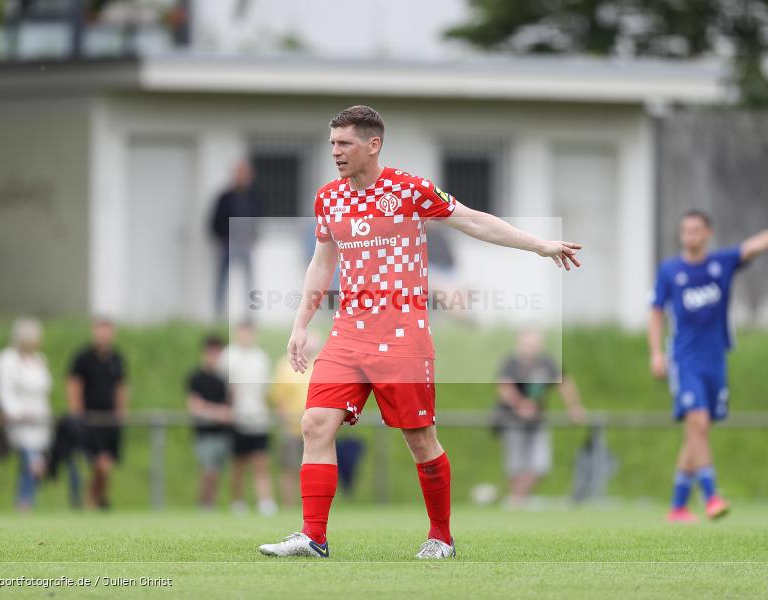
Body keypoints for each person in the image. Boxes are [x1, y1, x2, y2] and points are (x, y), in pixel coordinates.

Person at [259, 105, 582, 559]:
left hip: (403, 338)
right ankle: (313, 536)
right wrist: (300, 324)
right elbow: (322, 262)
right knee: (314, 423)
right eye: (332, 143)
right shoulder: (328, 197)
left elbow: (472, 219)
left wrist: (539, 245)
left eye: (344, 143)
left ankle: (441, 537)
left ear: (374, 145)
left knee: (419, 438)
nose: (335, 152)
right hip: (348, 333)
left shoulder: (409, 190)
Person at [649, 209, 768, 523]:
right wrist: (655, 353)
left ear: (707, 234)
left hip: (715, 360)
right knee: (698, 424)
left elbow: (757, 245)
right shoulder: (669, 270)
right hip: (684, 360)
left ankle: (677, 507)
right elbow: (656, 312)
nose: (689, 236)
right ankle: (712, 495)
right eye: (684, 231)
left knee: (697, 430)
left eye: (695, 230)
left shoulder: (721, 263)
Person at [495, 330, 586, 510]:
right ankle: (517, 502)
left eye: (535, 345)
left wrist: (574, 407)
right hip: (513, 420)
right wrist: (521, 405)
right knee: (515, 466)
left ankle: (517, 500)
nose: (532, 349)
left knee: (540, 465)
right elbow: (504, 388)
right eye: (528, 344)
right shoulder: (510, 363)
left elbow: (565, 384)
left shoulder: (546, 363)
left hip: (537, 421)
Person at [67, 318, 128, 510]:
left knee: (106, 465)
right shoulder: (83, 358)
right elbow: (74, 385)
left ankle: (98, 499)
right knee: (99, 463)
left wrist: (121, 411)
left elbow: (121, 387)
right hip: (91, 420)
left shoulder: (116, 358)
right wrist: (78, 412)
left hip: (110, 420)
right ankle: (92, 500)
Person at [0, 317, 52, 511]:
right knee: (31, 461)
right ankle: (24, 502)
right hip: (19, 420)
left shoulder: (40, 360)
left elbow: (43, 392)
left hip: (39, 420)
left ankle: (26, 500)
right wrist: (17, 411)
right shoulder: (8, 359)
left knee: (36, 465)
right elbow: (5, 391)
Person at [219, 321, 275, 516]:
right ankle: (238, 502)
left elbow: (266, 390)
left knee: (261, 460)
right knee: (238, 463)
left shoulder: (261, 358)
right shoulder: (228, 356)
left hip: (258, 417)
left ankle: (265, 502)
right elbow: (223, 388)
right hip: (237, 417)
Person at [268, 331, 319, 507]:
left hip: (315, 430)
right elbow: (278, 398)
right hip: (291, 428)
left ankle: (311, 506)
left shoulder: (319, 364)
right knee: (288, 468)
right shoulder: (285, 365)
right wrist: (285, 422)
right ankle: (289, 505)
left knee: (314, 468)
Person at [211, 160, 264, 316]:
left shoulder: (254, 197)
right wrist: (222, 239)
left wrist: (253, 238)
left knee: (249, 281)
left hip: (246, 245)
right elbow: (214, 222)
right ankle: (219, 313)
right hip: (228, 245)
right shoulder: (225, 198)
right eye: (239, 173)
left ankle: (249, 315)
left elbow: (258, 219)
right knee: (222, 280)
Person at [187, 335, 232, 510]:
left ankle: (211, 504)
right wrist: (218, 413)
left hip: (222, 432)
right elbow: (195, 406)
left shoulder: (223, 378)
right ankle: (203, 504)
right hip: (204, 432)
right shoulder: (196, 377)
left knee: (217, 472)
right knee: (207, 470)